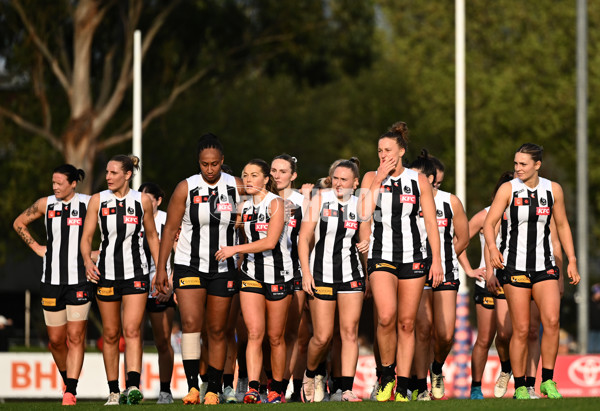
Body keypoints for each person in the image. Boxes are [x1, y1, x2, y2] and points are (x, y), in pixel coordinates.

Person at [483, 143, 580, 399]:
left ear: (537, 165)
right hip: (514, 266)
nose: (517, 169)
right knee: (522, 329)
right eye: (515, 163)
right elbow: (490, 222)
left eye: (523, 164)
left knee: (551, 322)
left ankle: (547, 380)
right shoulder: (508, 189)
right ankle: (522, 386)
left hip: (545, 266)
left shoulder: (552, 189)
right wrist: (492, 247)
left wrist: (571, 260)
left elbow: (562, 225)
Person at [154, 134, 243, 405]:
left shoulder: (237, 186)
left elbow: (268, 197)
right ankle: (193, 386)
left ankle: (214, 388)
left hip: (224, 268)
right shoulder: (186, 187)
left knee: (216, 330)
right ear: (198, 163)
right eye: (205, 164)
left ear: (223, 161)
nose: (210, 169)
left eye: (215, 164)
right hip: (188, 264)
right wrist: (161, 269)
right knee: (191, 325)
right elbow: (169, 230)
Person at [360, 122, 443, 402]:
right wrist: (377, 178)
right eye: (379, 150)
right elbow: (362, 213)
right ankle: (386, 376)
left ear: (401, 151)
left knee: (407, 323)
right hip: (381, 255)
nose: (383, 155)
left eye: (388, 151)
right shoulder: (372, 176)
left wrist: (437, 261)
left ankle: (405, 385)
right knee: (386, 317)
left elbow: (431, 222)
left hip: (414, 257)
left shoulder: (417, 180)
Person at [80, 155, 159, 405]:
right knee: (112, 334)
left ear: (127, 175)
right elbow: (87, 237)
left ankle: (133, 386)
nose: (108, 177)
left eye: (113, 173)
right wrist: (87, 261)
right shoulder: (98, 200)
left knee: (133, 330)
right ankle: (114, 391)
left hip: (136, 273)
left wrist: (162, 272)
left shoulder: (142, 200)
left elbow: (153, 237)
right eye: (107, 172)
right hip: (106, 275)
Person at [215, 158, 293, 404]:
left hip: (279, 274)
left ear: (266, 179)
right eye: (245, 175)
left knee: (275, 337)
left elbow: (270, 242)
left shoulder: (276, 203)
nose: (248, 179)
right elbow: (223, 228)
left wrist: (234, 248)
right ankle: (252, 387)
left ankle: (277, 388)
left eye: (254, 175)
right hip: (250, 274)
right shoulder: (242, 206)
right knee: (254, 333)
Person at [13, 164, 92, 406]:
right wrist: (36, 247)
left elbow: (113, 228)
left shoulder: (89, 203)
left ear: (73, 184)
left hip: (79, 279)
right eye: (53, 182)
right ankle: (68, 380)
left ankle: (71, 390)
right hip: (51, 282)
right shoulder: (45, 204)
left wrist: (97, 254)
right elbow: (18, 223)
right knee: (56, 340)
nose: (55, 186)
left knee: (76, 336)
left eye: (59, 183)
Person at [298, 158, 368, 403]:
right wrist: (306, 273)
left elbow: (364, 243)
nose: (339, 184)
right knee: (323, 336)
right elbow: (304, 237)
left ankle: (346, 389)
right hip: (321, 275)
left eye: (344, 180)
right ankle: (310, 374)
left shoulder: (362, 205)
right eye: (335, 178)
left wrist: (368, 274)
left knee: (350, 332)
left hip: (351, 275)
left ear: (355, 182)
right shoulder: (320, 199)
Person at [410, 150, 469, 400]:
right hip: (415, 271)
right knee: (422, 329)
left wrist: (444, 258)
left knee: (445, 333)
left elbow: (464, 237)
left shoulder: (450, 201)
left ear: (432, 178)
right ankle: (420, 386)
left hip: (445, 271)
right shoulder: (407, 201)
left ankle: (436, 368)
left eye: (417, 177)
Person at [458, 171, 513, 399]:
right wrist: (470, 270)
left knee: (506, 334)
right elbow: (459, 241)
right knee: (484, 338)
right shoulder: (485, 216)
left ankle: (508, 369)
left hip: (514, 282)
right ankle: (476, 388)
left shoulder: (523, 215)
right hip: (486, 284)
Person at [270, 154, 311, 401]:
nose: (277, 175)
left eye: (283, 171)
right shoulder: (263, 199)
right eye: (273, 170)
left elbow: (311, 237)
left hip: (294, 270)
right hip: (265, 271)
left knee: (292, 333)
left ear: (293, 175)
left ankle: (287, 386)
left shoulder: (302, 201)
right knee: (269, 334)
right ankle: (267, 383)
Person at [138, 182, 176, 404]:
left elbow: (180, 253)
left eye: (148, 199)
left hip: (161, 288)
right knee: (133, 338)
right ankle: (133, 387)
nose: (143, 203)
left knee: (163, 341)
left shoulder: (167, 221)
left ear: (158, 200)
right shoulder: (133, 219)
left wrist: (170, 283)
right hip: (133, 286)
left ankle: (165, 391)